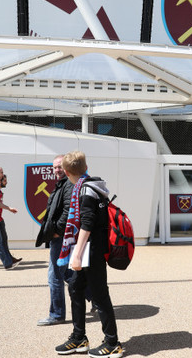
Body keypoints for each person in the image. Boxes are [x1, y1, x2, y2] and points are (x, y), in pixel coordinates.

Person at [55, 151, 122, 357]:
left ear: (66, 172)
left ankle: (112, 343)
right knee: (75, 287)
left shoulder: (85, 190)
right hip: (89, 249)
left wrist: (76, 254)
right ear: (85, 167)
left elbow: (87, 222)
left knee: (100, 294)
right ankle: (79, 337)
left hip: (91, 250)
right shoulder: (91, 186)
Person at [35, 154, 74, 326]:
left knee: (54, 276)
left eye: (59, 167)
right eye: (55, 167)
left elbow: (68, 210)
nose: (57, 170)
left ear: (66, 167)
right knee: (68, 273)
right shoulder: (62, 184)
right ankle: (92, 295)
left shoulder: (68, 185)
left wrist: (57, 231)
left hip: (61, 237)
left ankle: (57, 314)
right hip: (59, 236)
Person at [0, 174, 21, 264]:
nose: (6, 182)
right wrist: (10, 208)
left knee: (3, 239)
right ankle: (8, 260)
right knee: (0, 240)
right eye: (5, 181)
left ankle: (9, 258)